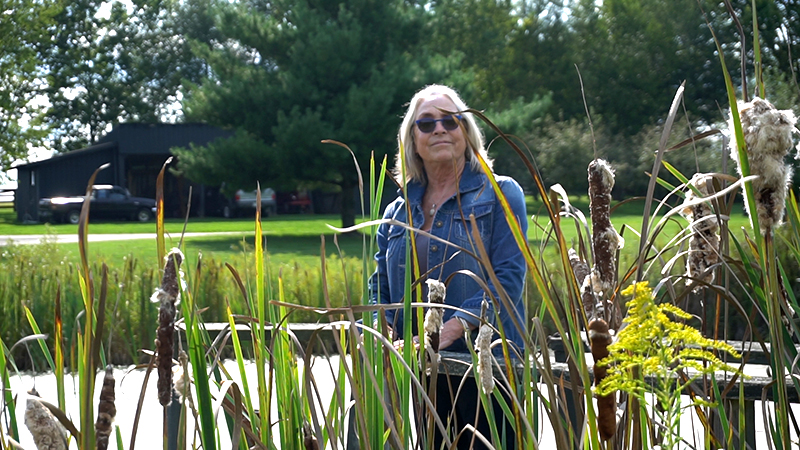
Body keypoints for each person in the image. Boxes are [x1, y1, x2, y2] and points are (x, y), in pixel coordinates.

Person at [368, 84, 528, 449]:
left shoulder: (501, 192)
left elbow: (507, 282)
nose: (439, 129)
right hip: (422, 371)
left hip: (488, 370)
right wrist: (383, 328)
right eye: (426, 124)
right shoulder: (396, 212)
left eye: (450, 121)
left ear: (466, 132)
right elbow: (379, 286)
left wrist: (449, 330)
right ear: (413, 140)